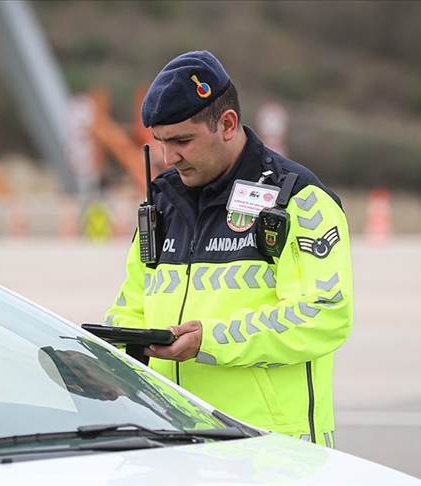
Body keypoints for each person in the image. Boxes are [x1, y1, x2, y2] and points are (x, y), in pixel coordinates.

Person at [104, 51, 353, 448]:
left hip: (272, 451)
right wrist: (103, 359)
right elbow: (132, 307)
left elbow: (325, 315)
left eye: (183, 140)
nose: (170, 158)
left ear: (227, 124)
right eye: (162, 143)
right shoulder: (161, 202)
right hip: (171, 443)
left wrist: (212, 340)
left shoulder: (298, 200)